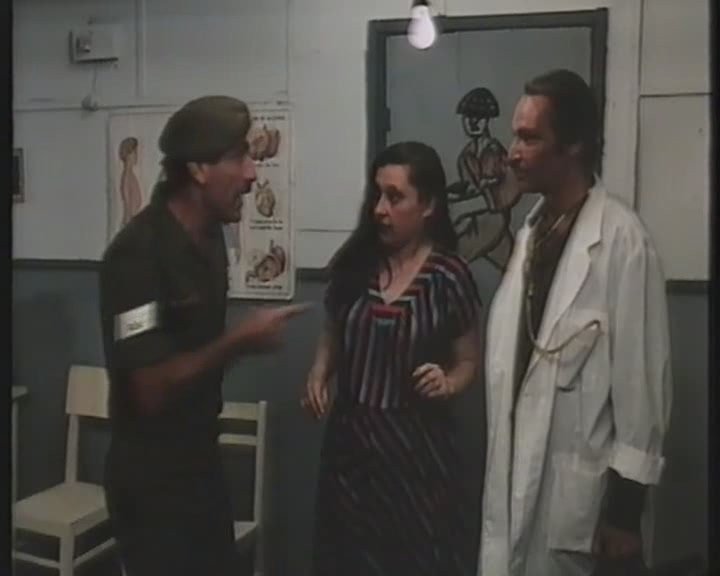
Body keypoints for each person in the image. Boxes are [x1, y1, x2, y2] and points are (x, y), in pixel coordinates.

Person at [99, 95, 307, 576]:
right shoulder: (137, 255)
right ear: (197, 169)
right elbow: (148, 388)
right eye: (238, 157)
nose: (252, 174)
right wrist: (239, 341)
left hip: (200, 465)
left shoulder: (211, 240)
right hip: (152, 484)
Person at [478, 69, 673, 576]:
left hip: (582, 511)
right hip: (515, 481)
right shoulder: (531, 235)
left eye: (529, 138)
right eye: (514, 136)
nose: (512, 153)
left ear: (574, 146)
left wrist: (625, 515)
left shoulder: (622, 242)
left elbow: (641, 389)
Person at [303, 141, 482, 576]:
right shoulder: (356, 265)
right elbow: (334, 328)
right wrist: (319, 371)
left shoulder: (449, 276)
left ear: (428, 206)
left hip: (416, 458)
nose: (380, 209)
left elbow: (468, 361)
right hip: (351, 453)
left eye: (395, 197)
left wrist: (448, 382)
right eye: (377, 195)